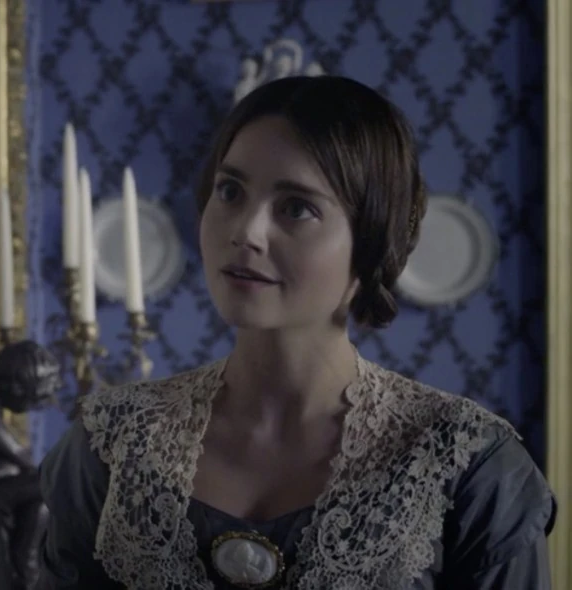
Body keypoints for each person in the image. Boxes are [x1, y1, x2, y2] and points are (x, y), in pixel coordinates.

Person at [36, 76, 556, 590]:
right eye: (230, 191)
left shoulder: (468, 464)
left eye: (296, 208)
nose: (246, 231)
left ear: (372, 238)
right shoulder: (112, 444)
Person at [0, 340, 60, 589]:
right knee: (48, 483)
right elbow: (16, 454)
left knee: (41, 506)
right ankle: (27, 573)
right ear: (18, 387)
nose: (34, 406)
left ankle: (27, 574)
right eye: (36, 398)